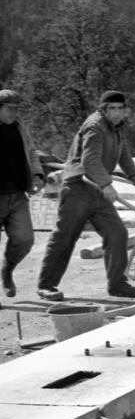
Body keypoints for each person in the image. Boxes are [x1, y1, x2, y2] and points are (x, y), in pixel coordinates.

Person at [37, 91, 135, 301]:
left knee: (117, 233)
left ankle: (117, 283)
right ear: (103, 109)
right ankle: (46, 285)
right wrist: (107, 184)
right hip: (78, 187)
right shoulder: (95, 127)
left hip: (97, 188)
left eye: (120, 109)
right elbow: (90, 161)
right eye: (112, 109)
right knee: (65, 237)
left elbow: (122, 152)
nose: (117, 113)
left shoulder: (116, 127)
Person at [0, 90, 45, 301]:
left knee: (25, 240)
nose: (14, 113)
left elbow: (32, 152)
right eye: (10, 108)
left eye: (17, 109)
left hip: (17, 194)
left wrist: (37, 174)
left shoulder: (19, 127)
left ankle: (7, 269)